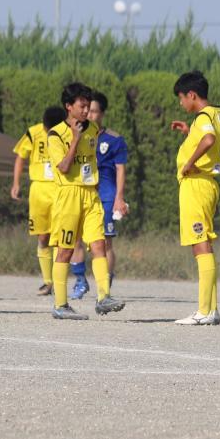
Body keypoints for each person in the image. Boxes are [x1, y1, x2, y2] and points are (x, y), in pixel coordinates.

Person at [46, 83, 125, 320]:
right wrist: (75, 139)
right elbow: (63, 167)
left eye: (88, 106)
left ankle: (104, 297)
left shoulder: (93, 129)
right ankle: (60, 304)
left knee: (99, 244)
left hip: (91, 194)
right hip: (68, 195)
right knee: (65, 250)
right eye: (82, 106)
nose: (86, 111)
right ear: (68, 107)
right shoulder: (55, 134)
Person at [171, 70, 220, 325]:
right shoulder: (218, 114)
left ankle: (204, 311)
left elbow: (208, 139)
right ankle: (211, 309)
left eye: (181, 98)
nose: (181, 103)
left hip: (196, 185)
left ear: (192, 95)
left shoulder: (204, 116)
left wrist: (189, 163)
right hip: (207, 183)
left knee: (200, 244)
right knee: (204, 242)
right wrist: (189, 133)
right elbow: (209, 139)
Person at [69, 90, 129, 291]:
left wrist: (119, 198)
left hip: (105, 195)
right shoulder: (75, 135)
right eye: (86, 109)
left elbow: (120, 169)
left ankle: (105, 286)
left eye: (94, 111)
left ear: (102, 113)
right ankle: (80, 280)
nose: (89, 114)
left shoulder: (114, 139)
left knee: (104, 243)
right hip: (81, 193)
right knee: (76, 239)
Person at [11, 105, 64, 295]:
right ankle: (47, 281)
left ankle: (58, 281)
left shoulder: (66, 133)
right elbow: (20, 156)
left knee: (59, 237)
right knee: (43, 236)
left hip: (60, 188)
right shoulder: (33, 133)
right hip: (39, 189)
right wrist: (16, 183)